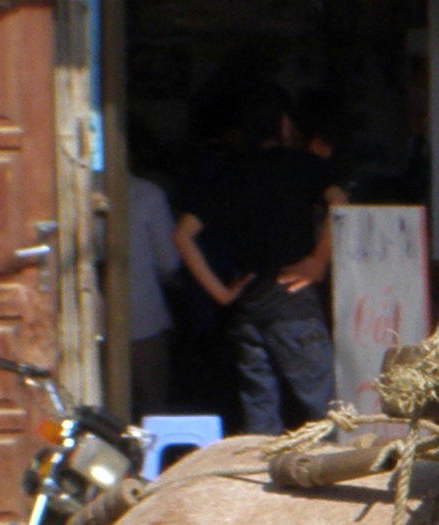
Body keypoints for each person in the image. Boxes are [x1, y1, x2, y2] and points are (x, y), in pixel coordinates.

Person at [174, 82, 339, 434]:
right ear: (283, 124)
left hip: (246, 305)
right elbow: (340, 204)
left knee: (260, 408)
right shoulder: (305, 166)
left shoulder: (229, 175)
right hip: (294, 301)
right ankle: (337, 481)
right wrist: (318, 259)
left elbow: (183, 234)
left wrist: (221, 293)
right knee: (324, 409)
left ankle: (263, 480)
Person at [124, 169, 182, 421]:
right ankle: (151, 459)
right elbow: (168, 261)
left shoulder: (70, 187)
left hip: (86, 320)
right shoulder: (147, 194)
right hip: (142, 316)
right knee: (153, 402)